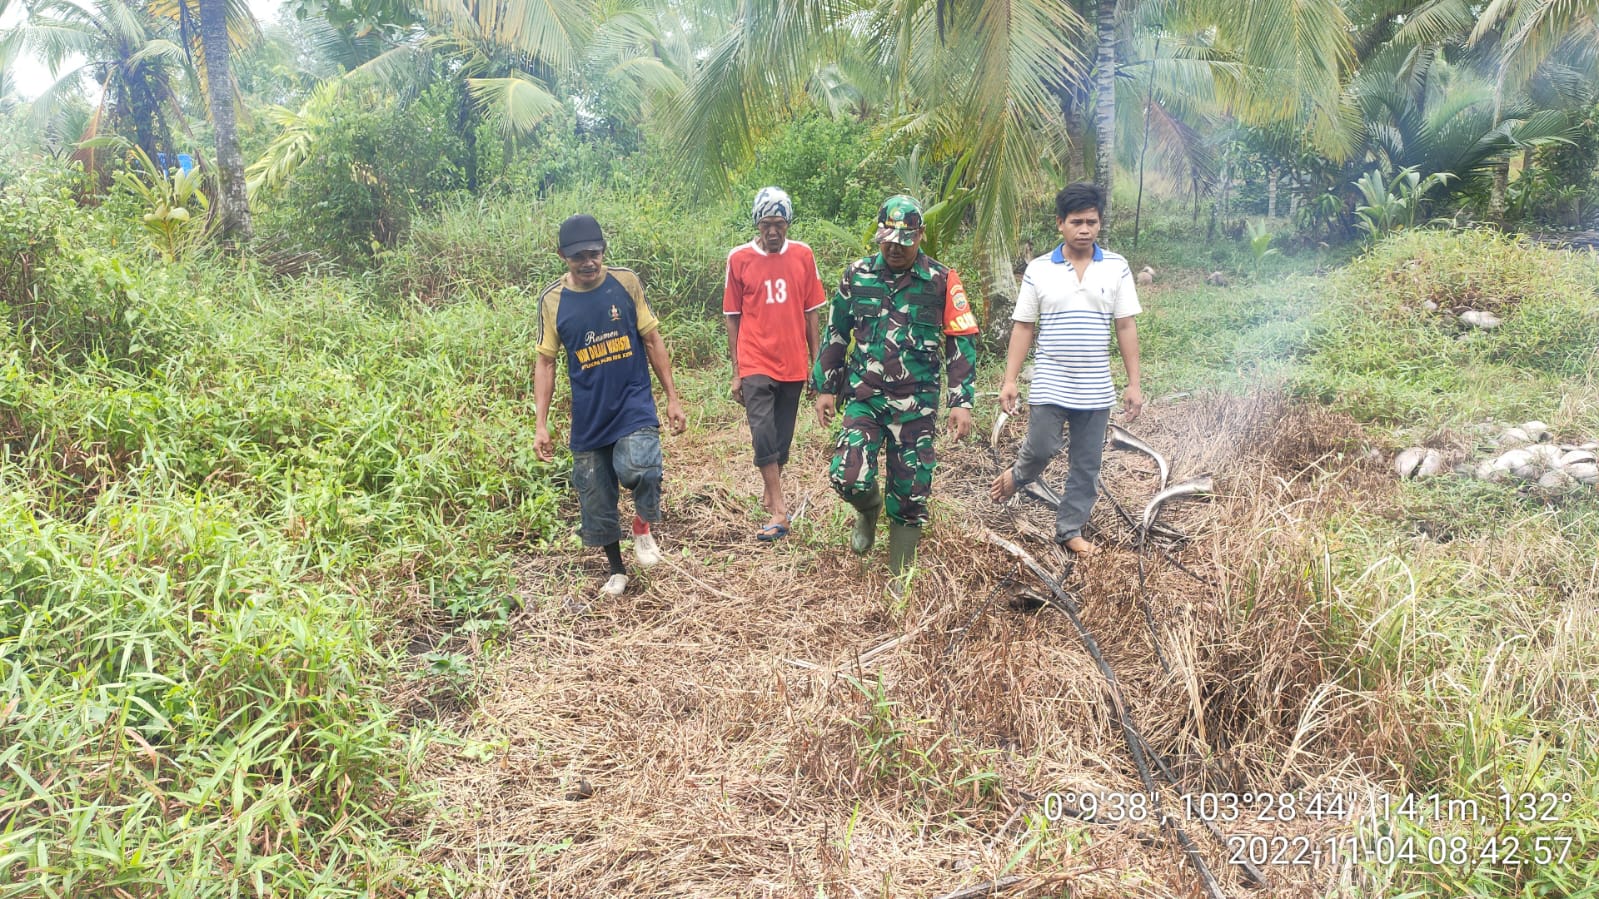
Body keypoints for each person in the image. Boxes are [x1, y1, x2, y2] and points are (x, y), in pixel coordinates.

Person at [813, 195, 979, 575]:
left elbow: (961, 340)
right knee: (847, 475)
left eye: (904, 241)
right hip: (864, 398)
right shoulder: (857, 276)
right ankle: (868, 509)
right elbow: (837, 332)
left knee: (909, 494)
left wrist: (961, 400)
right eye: (887, 239)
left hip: (916, 406)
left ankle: (898, 579)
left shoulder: (941, 280)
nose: (894, 248)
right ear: (879, 233)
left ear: (920, 236)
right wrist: (826, 386)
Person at [534, 213, 687, 600]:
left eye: (594, 253)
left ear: (604, 250)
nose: (588, 262)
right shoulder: (553, 300)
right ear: (561, 256)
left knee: (642, 466)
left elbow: (652, 340)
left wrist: (671, 397)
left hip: (632, 400)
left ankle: (641, 526)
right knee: (596, 496)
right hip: (589, 414)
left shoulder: (626, 282)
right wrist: (541, 423)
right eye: (578, 256)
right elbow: (546, 362)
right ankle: (617, 570)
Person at [989, 183, 1143, 554]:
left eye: (1092, 221)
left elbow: (1125, 325)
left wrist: (1134, 383)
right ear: (1060, 223)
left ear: (1100, 223)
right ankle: (1020, 475)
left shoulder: (1116, 267)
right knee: (1041, 447)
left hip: (1096, 387)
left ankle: (1069, 530)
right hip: (1050, 381)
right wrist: (1010, 379)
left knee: (1086, 465)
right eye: (1076, 221)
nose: (1085, 229)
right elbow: (1024, 326)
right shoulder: (1039, 270)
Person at [723, 187, 826, 541]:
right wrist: (737, 369)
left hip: (794, 361)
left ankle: (771, 488)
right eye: (766, 224)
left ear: (788, 224)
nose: (772, 232)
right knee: (762, 430)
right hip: (755, 359)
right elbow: (732, 317)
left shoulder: (803, 255)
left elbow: (811, 314)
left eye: (779, 224)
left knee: (782, 438)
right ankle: (780, 511)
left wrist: (817, 364)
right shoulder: (739, 259)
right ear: (757, 223)